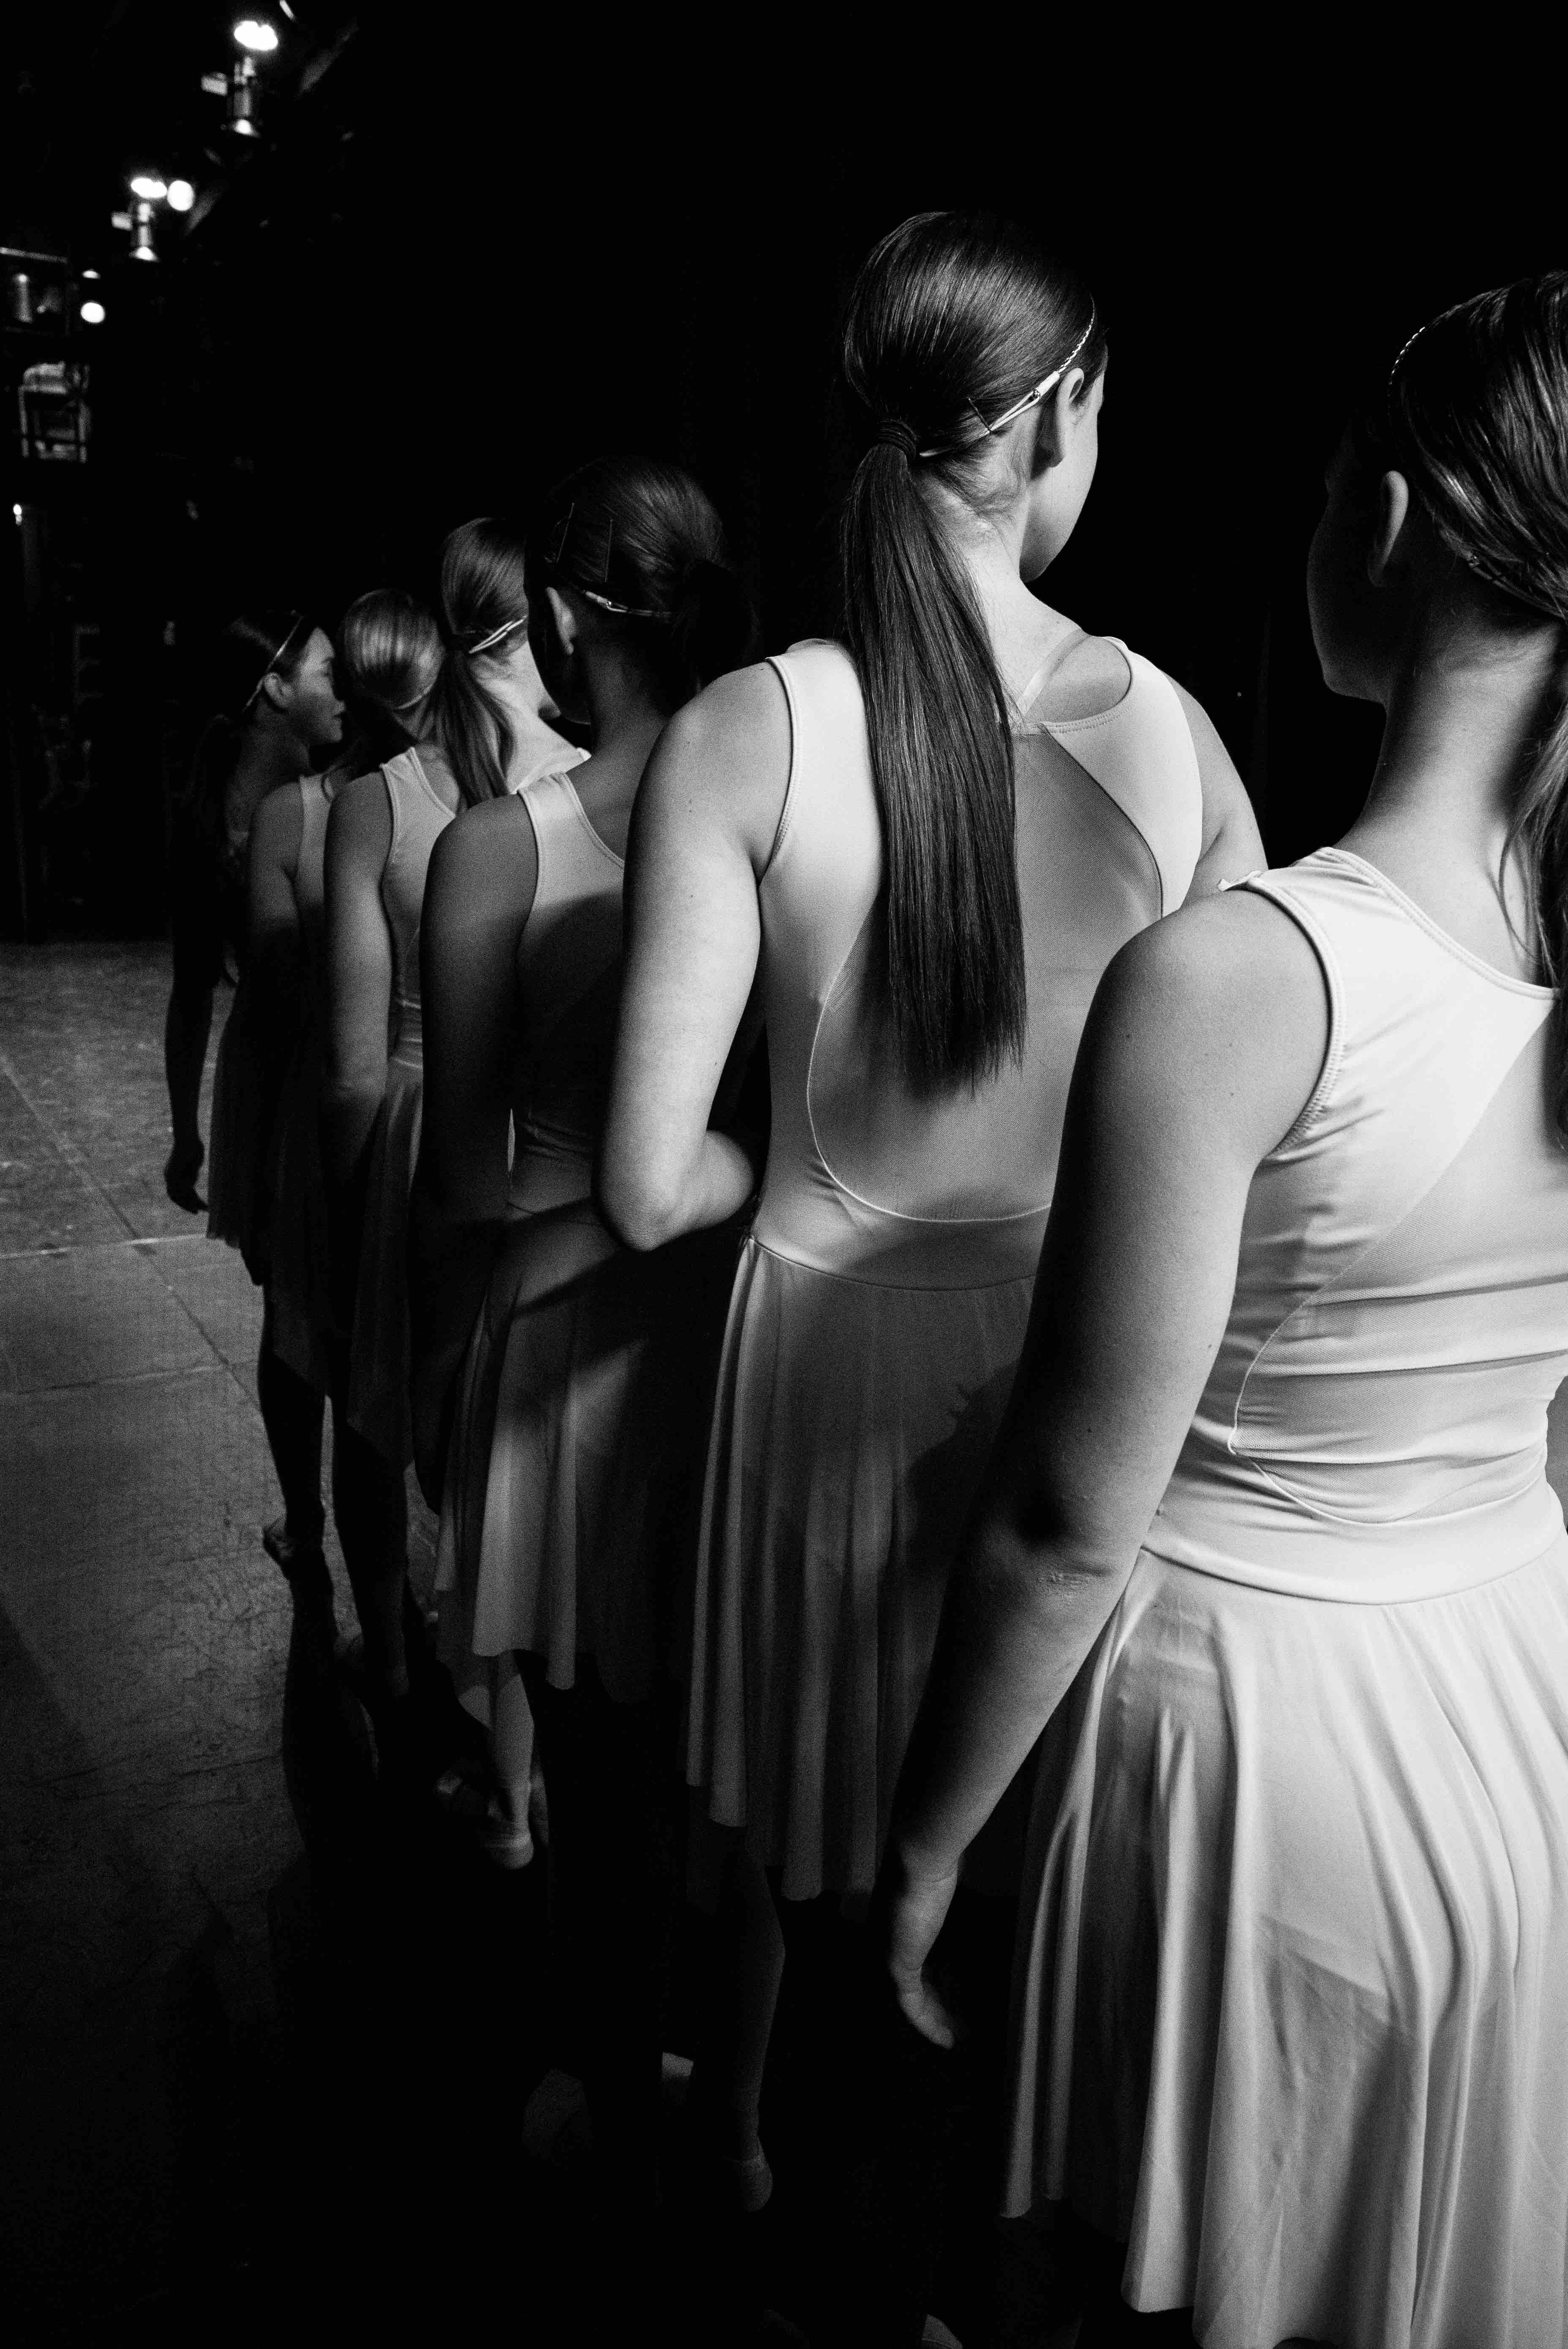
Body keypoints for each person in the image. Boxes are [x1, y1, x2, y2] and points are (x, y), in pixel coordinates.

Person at [881, 272, 1568, 2348]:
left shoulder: (1249, 975)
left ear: (1379, 523)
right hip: (1514, 1718)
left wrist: (919, 1849)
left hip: (1254, 1755)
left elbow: (1065, 1520)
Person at [598, 209, 1261, 2289]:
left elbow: (637, 1184)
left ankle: (771, 2184)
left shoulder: (742, 732)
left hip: (816, 1368)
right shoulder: (1174, 735)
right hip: (1075, 1375)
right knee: (1016, 1871)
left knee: (797, 1865)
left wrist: (796, 1194)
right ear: (1053, 416)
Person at [411, 456, 754, 2222]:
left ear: (557, 614)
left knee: (597, 1780)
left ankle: (618, 2116)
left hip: (558, 1364)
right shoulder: (787, 809)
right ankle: (745, 2123)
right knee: (742, 1779)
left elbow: (466, 1171)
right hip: (738, 1335)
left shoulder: (498, 846)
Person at [322, 527, 580, 1747]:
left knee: (420, 1435)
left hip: (437, 1151)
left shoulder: (390, 802)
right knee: (541, 1479)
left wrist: (339, 1205)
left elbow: (353, 1061)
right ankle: (525, 1763)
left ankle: (441, 1699)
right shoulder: (607, 784)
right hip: (575, 1170)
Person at [164, 612, 343, 1219]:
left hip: (266, 1063)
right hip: (301, 1067)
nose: (346, 691)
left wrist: (186, 1130)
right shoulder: (334, 808)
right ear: (276, 688)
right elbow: (191, 993)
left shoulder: (208, 815)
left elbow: (190, 997)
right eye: (329, 673)